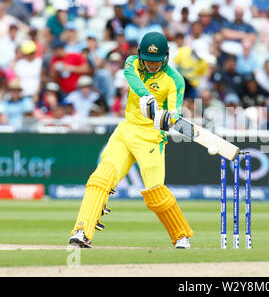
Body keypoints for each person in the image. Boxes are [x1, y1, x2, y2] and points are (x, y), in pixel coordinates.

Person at [68, 32, 193, 249]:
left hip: (151, 137)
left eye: (156, 61)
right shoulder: (132, 62)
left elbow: (175, 111)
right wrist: (148, 96)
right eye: (148, 60)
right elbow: (132, 78)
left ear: (166, 57)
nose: (152, 66)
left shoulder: (175, 79)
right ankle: (82, 231)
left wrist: (167, 117)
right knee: (99, 179)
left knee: (155, 192)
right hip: (125, 131)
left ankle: (181, 235)